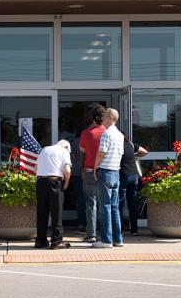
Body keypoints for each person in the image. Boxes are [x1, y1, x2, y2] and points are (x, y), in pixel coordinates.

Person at [93, 108, 125, 248]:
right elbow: (121, 154)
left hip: (106, 171)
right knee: (114, 207)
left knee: (105, 207)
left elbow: (101, 153)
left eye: (105, 116)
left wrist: (95, 168)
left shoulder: (106, 134)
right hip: (115, 171)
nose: (103, 118)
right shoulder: (119, 135)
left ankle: (106, 240)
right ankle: (118, 239)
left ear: (111, 118)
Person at [34, 139, 72, 249]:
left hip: (40, 182)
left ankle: (40, 240)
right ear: (66, 147)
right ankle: (57, 241)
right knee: (57, 213)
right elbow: (67, 170)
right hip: (55, 182)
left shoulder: (45, 149)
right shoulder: (63, 151)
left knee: (41, 213)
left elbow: (35, 168)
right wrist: (66, 183)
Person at [78, 105, 106, 242]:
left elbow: (82, 152)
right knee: (105, 203)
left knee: (91, 204)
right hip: (105, 171)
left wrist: (81, 168)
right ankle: (106, 234)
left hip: (89, 171)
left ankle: (92, 234)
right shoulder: (107, 133)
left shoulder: (86, 133)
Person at [120, 134, 147, 236]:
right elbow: (145, 152)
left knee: (119, 203)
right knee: (132, 203)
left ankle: (120, 229)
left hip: (123, 175)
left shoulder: (118, 145)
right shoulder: (131, 145)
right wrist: (134, 155)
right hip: (134, 176)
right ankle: (134, 230)